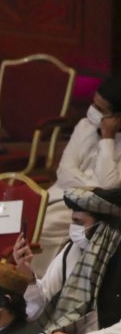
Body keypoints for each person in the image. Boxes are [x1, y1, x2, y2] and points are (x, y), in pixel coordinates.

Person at [12, 186, 121, 334]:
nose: (74, 229)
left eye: (79, 222)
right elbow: (42, 300)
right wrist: (28, 277)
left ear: (102, 226)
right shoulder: (72, 250)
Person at [36, 76, 121, 253]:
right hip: (60, 197)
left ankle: (39, 279)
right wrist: (92, 189)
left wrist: (108, 139)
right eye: (93, 103)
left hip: (96, 211)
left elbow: (109, 187)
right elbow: (64, 172)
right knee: (17, 219)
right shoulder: (84, 126)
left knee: (43, 227)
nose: (93, 110)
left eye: (100, 109)